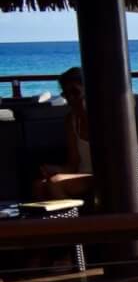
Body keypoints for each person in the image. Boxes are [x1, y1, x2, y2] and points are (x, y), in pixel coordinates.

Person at [32, 67, 95, 201]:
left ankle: (74, 221)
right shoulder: (71, 120)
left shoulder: (104, 118)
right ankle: (55, 220)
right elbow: (73, 163)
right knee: (39, 185)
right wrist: (54, 168)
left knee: (56, 182)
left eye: (75, 92)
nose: (71, 98)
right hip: (81, 175)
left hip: (100, 176)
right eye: (66, 94)